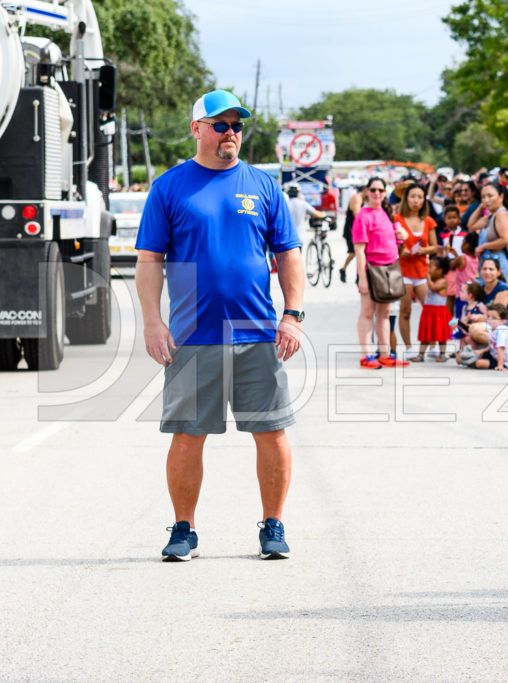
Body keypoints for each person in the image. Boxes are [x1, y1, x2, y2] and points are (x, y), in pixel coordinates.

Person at [136, 89, 303, 561]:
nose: (231, 133)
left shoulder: (263, 185)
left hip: (256, 332)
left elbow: (289, 254)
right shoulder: (170, 187)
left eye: (237, 126)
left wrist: (291, 315)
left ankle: (273, 526)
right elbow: (150, 259)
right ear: (196, 129)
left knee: (271, 432)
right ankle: (183, 530)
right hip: (192, 334)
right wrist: (152, 321)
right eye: (221, 124)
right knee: (188, 436)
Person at [354, 176, 409, 369]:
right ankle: (366, 355)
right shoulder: (363, 215)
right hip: (371, 269)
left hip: (390, 268)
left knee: (385, 313)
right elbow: (359, 249)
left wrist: (402, 236)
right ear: (367, 191)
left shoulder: (386, 213)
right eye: (373, 189)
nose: (377, 193)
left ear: (385, 192)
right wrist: (362, 278)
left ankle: (385, 353)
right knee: (368, 313)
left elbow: (392, 240)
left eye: (381, 190)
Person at [395, 183, 438, 356]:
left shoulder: (428, 221)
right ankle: (409, 347)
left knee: (430, 309)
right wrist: (401, 251)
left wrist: (421, 250)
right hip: (404, 272)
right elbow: (392, 243)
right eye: (413, 196)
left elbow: (435, 247)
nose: (416, 201)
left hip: (422, 272)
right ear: (406, 198)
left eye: (420, 197)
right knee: (405, 311)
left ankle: (433, 345)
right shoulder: (397, 219)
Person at [470, 182, 508, 290]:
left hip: (499, 267)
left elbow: (505, 240)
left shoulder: (501, 214)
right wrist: (481, 207)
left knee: (498, 304)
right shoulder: (491, 216)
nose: (486, 200)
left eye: (490, 196)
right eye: (483, 197)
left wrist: (484, 246)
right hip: (488, 267)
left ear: (501, 197)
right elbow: (471, 225)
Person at [469, 257, 508, 346]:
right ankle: (485, 356)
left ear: (498, 272)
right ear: (480, 271)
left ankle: (505, 350)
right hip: (489, 325)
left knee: (475, 329)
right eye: (484, 269)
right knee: (468, 338)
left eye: (491, 269)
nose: (487, 272)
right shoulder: (481, 288)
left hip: (506, 329)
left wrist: (476, 318)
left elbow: (496, 317)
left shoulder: (503, 289)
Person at [413, 255, 452, 362]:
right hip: (428, 311)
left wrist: (428, 279)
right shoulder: (434, 280)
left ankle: (442, 354)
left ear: (440, 271)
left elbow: (433, 288)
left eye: (431, 267)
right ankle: (421, 355)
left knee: (441, 335)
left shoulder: (443, 281)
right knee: (425, 334)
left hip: (438, 313)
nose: (428, 270)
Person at [472, 303, 508, 370]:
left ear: (503, 321)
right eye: (488, 316)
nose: (490, 319)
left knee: (479, 363)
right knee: (469, 356)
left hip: (502, 360)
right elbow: (492, 345)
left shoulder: (501, 331)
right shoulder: (492, 329)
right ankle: (470, 360)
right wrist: (481, 351)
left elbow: (500, 349)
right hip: (493, 354)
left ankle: (473, 362)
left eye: (494, 318)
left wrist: (500, 365)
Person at [339, 185, 366, 283]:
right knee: (355, 252)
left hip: (356, 230)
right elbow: (357, 214)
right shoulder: (357, 198)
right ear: (366, 190)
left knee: (358, 252)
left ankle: (357, 274)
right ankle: (343, 270)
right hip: (351, 230)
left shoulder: (362, 199)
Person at [452, 280, 487, 355]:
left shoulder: (479, 305)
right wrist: (457, 324)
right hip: (467, 330)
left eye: (462, 291)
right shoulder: (465, 307)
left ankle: (474, 355)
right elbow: (462, 321)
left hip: (477, 331)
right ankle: (463, 355)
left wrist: (478, 317)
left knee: (468, 339)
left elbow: (488, 316)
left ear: (470, 295)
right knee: (463, 339)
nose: (460, 293)